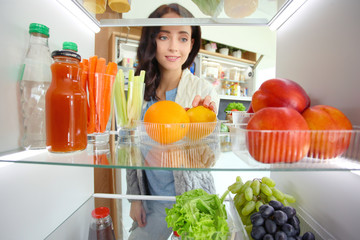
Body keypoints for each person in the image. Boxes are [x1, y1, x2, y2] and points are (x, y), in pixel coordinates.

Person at [126, 3, 220, 240]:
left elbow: (210, 158)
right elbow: (129, 151)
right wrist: (135, 199)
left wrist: (203, 127)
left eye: (183, 38)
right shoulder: (139, 91)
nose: (173, 47)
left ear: (191, 43)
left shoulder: (202, 90)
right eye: (164, 36)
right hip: (152, 203)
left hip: (192, 200)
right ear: (152, 40)